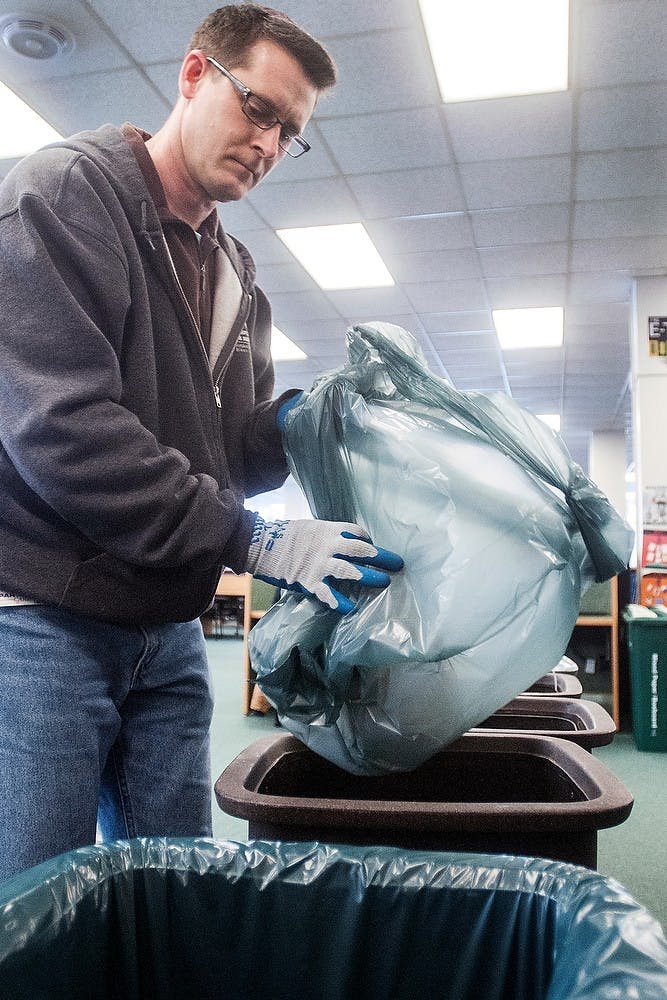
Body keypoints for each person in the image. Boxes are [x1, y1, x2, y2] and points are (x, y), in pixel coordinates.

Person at [0, 4, 402, 883]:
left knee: (176, 886)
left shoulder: (235, 274)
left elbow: (228, 451)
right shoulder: (61, 196)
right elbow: (64, 432)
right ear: (193, 76)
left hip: (167, 630)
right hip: (43, 625)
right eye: (258, 109)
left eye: (288, 133)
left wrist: (313, 421)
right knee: (37, 903)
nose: (267, 144)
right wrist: (251, 539)